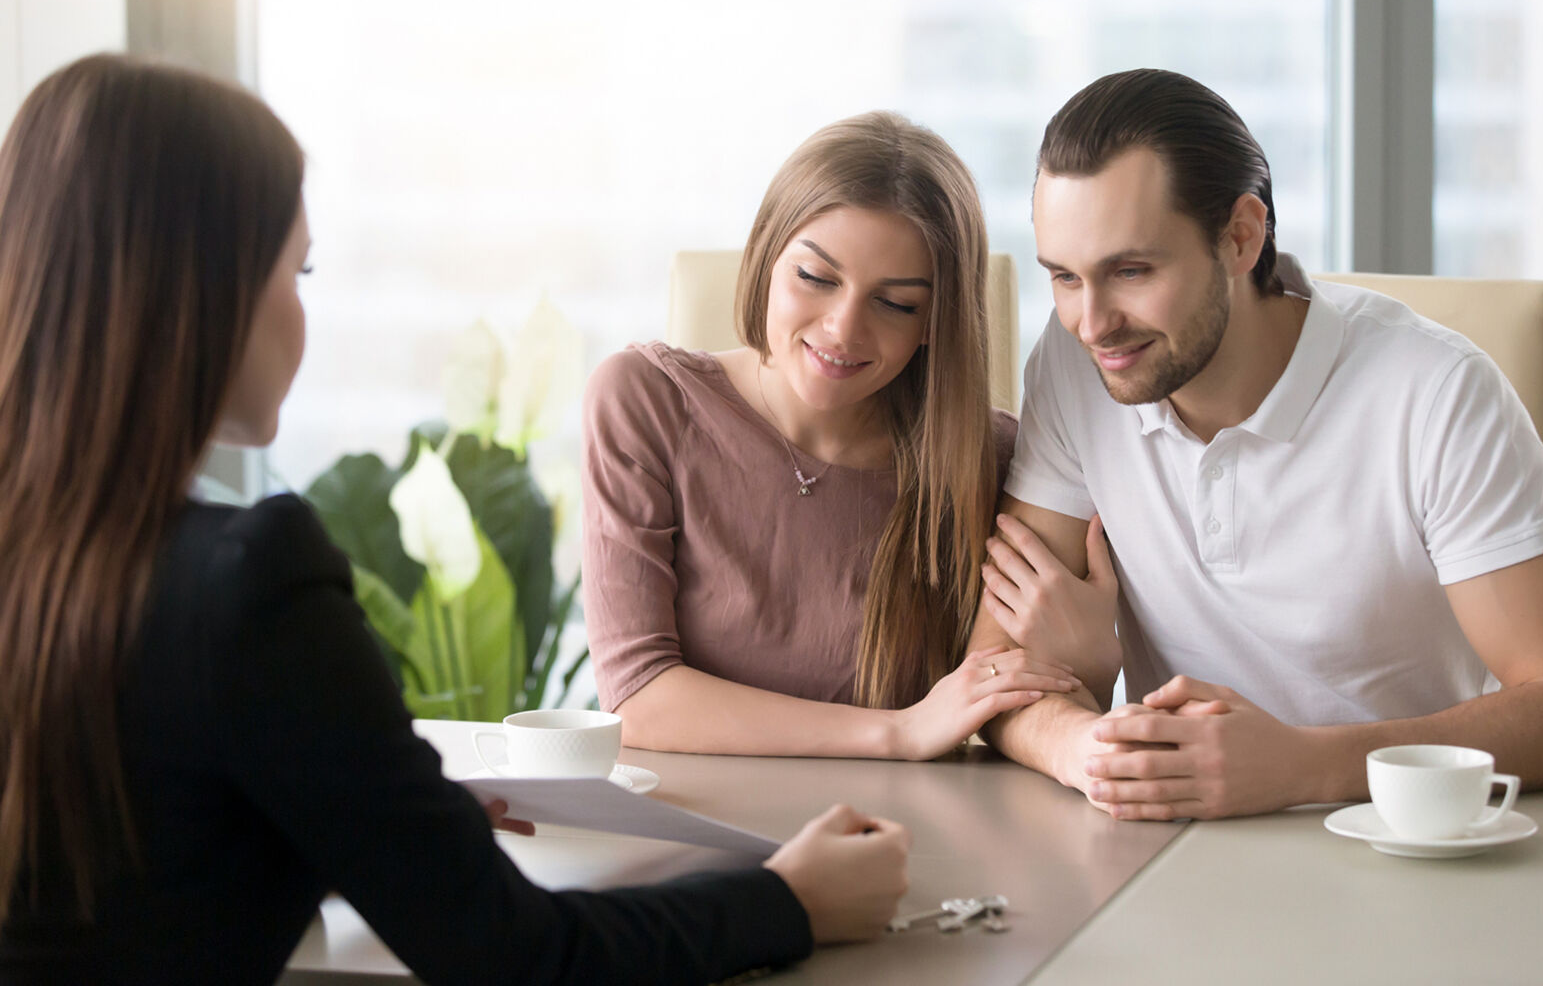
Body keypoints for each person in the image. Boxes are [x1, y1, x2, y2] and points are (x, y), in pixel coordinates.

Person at [0, 54, 911, 985]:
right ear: (203, 290)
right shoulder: (246, 584)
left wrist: (360, 820)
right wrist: (790, 901)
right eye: (297, 269)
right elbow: (516, 954)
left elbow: (127, 866)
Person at [970, 68, 1543, 819]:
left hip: (1394, 838)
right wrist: (1092, 751)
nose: (1092, 323)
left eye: (1132, 271)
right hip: (1172, 841)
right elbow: (993, 672)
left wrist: (1302, 766)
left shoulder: (1436, 392)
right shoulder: (1076, 365)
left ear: (1242, 237)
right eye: (1064, 278)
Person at [583, 112, 1082, 761]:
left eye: (896, 304)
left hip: (899, 819)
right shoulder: (644, 401)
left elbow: (1020, 696)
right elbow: (637, 696)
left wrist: (1096, 647)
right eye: (816, 278)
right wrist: (899, 732)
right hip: (694, 817)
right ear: (767, 256)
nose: (844, 329)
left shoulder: (995, 462)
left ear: (935, 322)